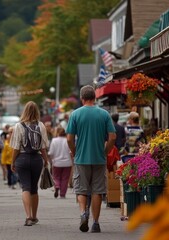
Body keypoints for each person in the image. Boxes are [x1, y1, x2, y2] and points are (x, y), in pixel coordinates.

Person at [66, 85, 116, 233]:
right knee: (97, 191)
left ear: (82, 98)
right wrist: (105, 151)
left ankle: (83, 213)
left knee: (81, 189)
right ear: (95, 97)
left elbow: (69, 139)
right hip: (99, 159)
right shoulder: (104, 114)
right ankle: (96, 223)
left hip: (81, 158)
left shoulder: (75, 114)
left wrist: (75, 151)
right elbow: (112, 137)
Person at [10, 101, 50, 226]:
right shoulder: (41, 125)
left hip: (22, 158)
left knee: (25, 187)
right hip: (36, 159)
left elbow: (16, 147)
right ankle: (34, 216)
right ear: (37, 111)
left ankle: (27, 217)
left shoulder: (18, 126)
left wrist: (12, 162)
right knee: (34, 188)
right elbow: (43, 146)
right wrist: (46, 160)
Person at [48, 127, 72, 199]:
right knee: (65, 178)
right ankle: (62, 194)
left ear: (57, 133)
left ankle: (57, 186)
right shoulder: (67, 140)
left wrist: (50, 160)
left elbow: (51, 152)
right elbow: (71, 151)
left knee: (56, 177)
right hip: (67, 163)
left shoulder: (54, 140)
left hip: (56, 162)